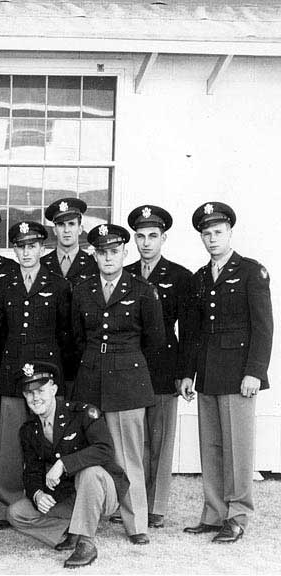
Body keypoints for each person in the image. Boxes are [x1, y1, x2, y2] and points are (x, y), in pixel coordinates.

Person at [179, 202, 273, 543]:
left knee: (238, 448)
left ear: (230, 232)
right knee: (212, 447)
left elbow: (263, 328)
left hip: (238, 376)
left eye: (218, 232)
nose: (212, 238)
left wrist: (255, 372)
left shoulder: (251, 271)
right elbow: (191, 332)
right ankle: (214, 512)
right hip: (207, 374)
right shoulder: (200, 278)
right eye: (206, 233)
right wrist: (187, 373)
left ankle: (238, 515)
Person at [70, 223, 165, 544]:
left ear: (125, 252)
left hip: (128, 381)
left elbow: (155, 341)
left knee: (129, 457)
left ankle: (136, 523)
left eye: (114, 251)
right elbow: (76, 337)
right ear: (94, 255)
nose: (108, 258)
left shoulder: (141, 289)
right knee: (91, 450)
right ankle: (89, 519)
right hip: (91, 379)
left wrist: (129, 367)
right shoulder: (82, 290)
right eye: (101, 252)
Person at [0, 220, 71, 526]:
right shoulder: (3, 284)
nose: (26, 252)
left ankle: (46, 498)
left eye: (32, 246)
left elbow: (66, 334)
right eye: (20, 246)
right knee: (10, 443)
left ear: (42, 248)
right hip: (12, 373)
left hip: (47, 374)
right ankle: (9, 500)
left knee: (49, 439)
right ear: (13, 249)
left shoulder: (58, 285)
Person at [7, 362, 128, 568]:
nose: (35, 398)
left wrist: (63, 463)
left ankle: (86, 542)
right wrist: (37, 494)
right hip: (69, 496)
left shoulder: (82, 413)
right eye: (29, 393)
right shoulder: (28, 430)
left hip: (103, 492)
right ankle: (71, 530)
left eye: (41, 390)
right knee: (16, 513)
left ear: (54, 390)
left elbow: (105, 448)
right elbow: (32, 472)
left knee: (88, 472)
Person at [122, 205, 190, 529]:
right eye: (140, 236)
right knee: (136, 441)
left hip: (165, 366)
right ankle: (133, 501)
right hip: (133, 367)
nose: (146, 243)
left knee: (161, 440)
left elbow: (189, 331)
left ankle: (157, 505)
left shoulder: (179, 277)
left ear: (163, 238)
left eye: (152, 236)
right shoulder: (125, 274)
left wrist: (184, 374)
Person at [41, 198, 99, 389]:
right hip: (49, 353)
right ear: (54, 229)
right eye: (61, 225)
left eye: (71, 224)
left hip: (82, 354)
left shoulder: (94, 265)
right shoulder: (41, 265)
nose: (66, 230)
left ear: (80, 228)